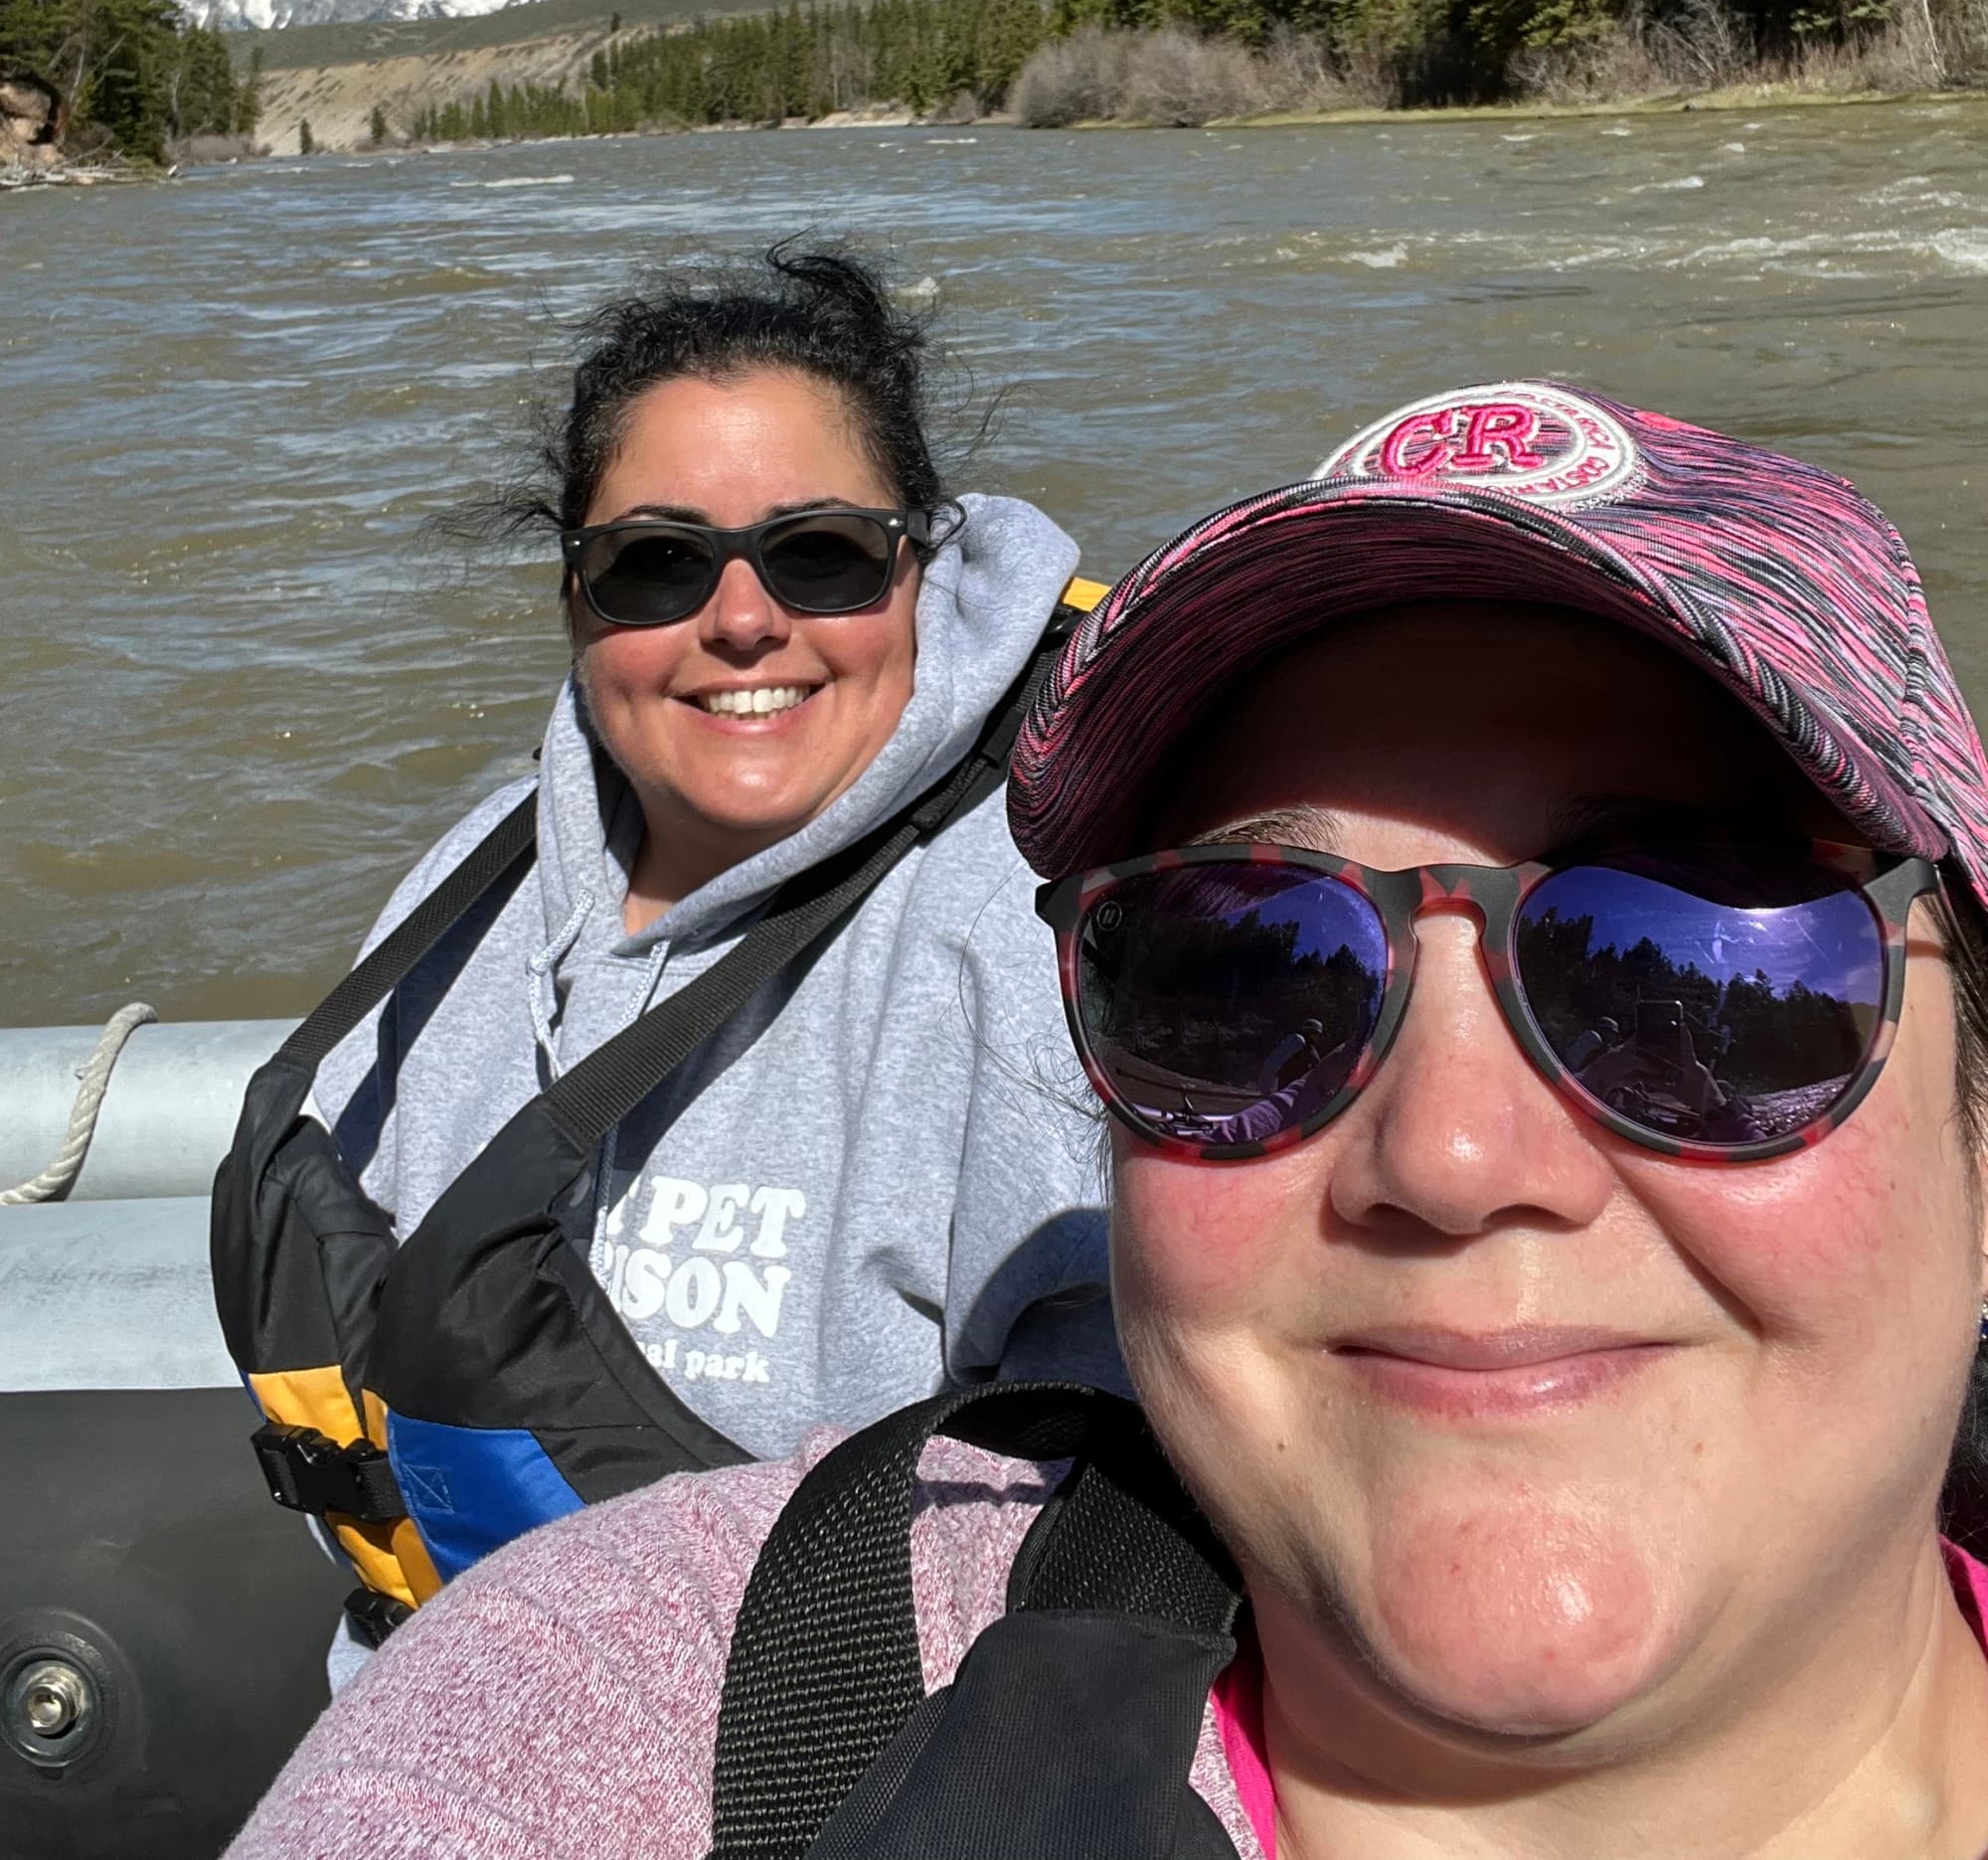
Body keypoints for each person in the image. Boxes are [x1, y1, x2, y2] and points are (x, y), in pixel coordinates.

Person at [225, 380, 1988, 1859]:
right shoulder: (648, 1700)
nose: (1450, 1160)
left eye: (1694, 976)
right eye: (1242, 976)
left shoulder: (952, 956)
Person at [211, 245, 1121, 1674]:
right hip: (410, 1720)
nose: (743, 619)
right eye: (656, 563)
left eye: (821, 553)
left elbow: (1108, 1567)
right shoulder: (465, 884)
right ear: (576, 601)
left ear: (920, 569)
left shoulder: (1036, 943)